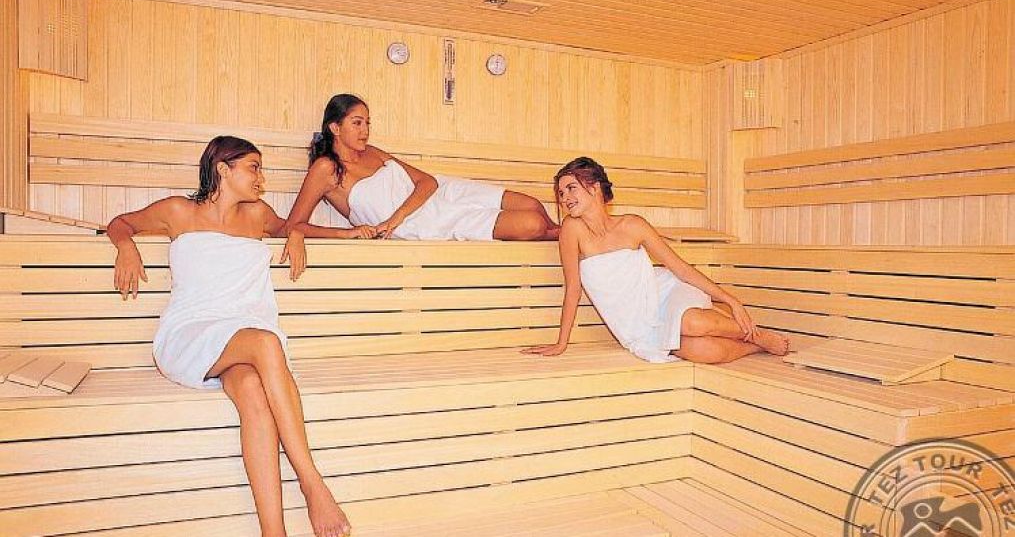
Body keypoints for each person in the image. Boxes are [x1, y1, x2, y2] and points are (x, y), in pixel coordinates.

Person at [107, 136, 351, 537]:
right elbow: (122, 223)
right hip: (192, 334)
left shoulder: (258, 215)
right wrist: (126, 247)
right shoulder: (178, 211)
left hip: (241, 338)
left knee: (254, 391)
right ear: (223, 168)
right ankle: (312, 484)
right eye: (253, 167)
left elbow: (293, 226)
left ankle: (273, 533)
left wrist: (296, 234)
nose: (261, 178)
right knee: (266, 342)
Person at [523, 157, 789, 364]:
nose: (565, 198)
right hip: (636, 323)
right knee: (704, 350)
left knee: (692, 323)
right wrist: (561, 343)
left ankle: (759, 334)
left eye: (571, 188)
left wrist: (732, 301)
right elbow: (573, 288)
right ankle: (755, 345)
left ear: (594, 188)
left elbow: (681, 269)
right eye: (561, 193)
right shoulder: (572, 230)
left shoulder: (633, 225)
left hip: (663, 293)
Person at [285, 93, 559, 241]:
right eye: (357, 123)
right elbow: (293, 226)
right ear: (335, 127)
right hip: (428, 223)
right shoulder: (325, 169)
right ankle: (569, 236)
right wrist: (347, 233)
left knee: (533, 204)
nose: (365, 130)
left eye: (367, 123)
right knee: (532, 224)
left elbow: (428, 181)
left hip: (439, 194)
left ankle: (569, 233)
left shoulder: (372, 152)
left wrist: (395, 217)